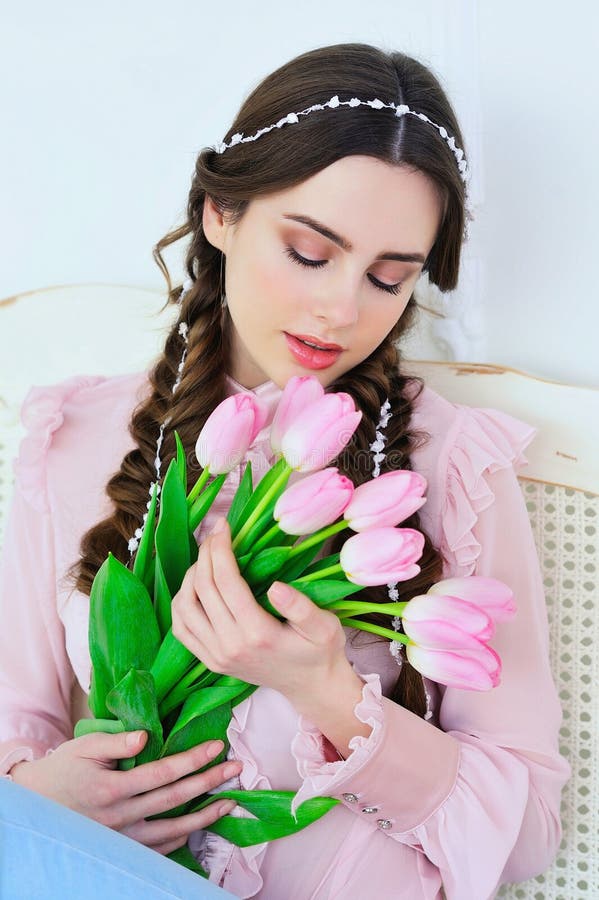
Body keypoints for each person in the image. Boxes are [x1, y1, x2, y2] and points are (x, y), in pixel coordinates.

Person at [0, 42, 570, 900]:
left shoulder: (447, 466)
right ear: (218, 215)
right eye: (309, 252)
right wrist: (44, 800)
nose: (341, 310)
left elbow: (525, 831)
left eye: (388, 278)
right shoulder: (74, 438)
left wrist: (329, 694)